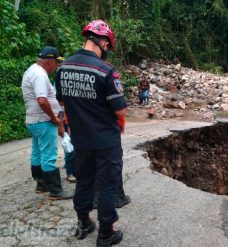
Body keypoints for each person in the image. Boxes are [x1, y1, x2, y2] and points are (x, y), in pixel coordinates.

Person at [55, 20, 127, 246]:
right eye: (108, 45)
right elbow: (121, 109)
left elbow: (62, 102)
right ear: (103, 42)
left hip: (81, 139)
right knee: (107, 184)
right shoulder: (106, 71)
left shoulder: (63, 68)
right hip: (106, 140)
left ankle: (84, 221)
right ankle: (107, 232)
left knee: (84, 181)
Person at [21, 46, 73, 200]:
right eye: (56, 63)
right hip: (43, 121)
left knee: (37, 153)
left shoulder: (32, 70)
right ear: (50, 61)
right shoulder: (39, 74)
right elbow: (42, 100)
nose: (56, 66)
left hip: (34, 121)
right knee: (49, 155)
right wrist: (54, 118)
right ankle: (56, 190)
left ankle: (41, 184)